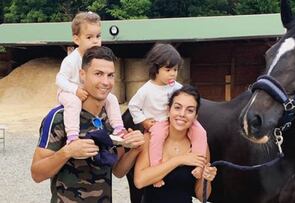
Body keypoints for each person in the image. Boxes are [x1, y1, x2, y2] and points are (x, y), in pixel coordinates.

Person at [31, 46, 145, 202]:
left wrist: (135, 149)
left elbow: (118, 171)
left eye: (110, 75)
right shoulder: (59, 118)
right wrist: (67, 152)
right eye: (98, 74)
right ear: (82, 75)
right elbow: (37, 174)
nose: (105, 82)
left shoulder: (112, 119)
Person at [128, 43, 208, 187]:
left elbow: (186, 99)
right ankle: (156, 171)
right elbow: (133, 106)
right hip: (159, 123)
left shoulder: (176, 87)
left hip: (176, 120)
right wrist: (143, 121)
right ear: (156, 69)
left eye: (175, 70)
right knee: (156, 139)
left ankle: (199, 165)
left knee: (201, 132)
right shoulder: (146, 89)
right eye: (168, 69)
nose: (172, 73)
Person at [134, 85, 217, 203]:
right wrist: (179, 160)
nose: (182, 114)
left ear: (196, 116)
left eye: (190, 110)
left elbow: (202, 196)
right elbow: (140, 181)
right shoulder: (151, 138)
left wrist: (206, 179)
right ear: (169, 110)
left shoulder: (200, 145)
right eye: (177, 107)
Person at [56, 11, 125, 144]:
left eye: (98, 36)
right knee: (74, 103)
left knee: (111, 98)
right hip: (68, 92)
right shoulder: (71, 60)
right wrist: (75, 90)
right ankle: (72, 135)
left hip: (86, 92)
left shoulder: (98, 58)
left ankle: (118, 127)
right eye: (89, 37)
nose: (95, 41)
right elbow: (60, 79)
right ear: (76, 39)